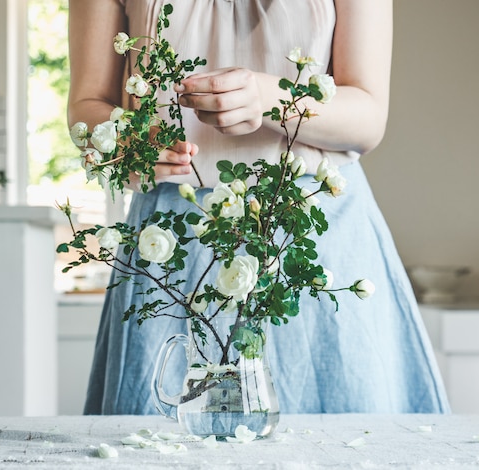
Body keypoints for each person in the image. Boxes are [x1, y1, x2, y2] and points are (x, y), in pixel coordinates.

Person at [68, 0, 450, 415]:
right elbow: (87, 103)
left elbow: (369, 116)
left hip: (315, 234)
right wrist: (134, 143)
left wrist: (270, 98)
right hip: (172, 246)